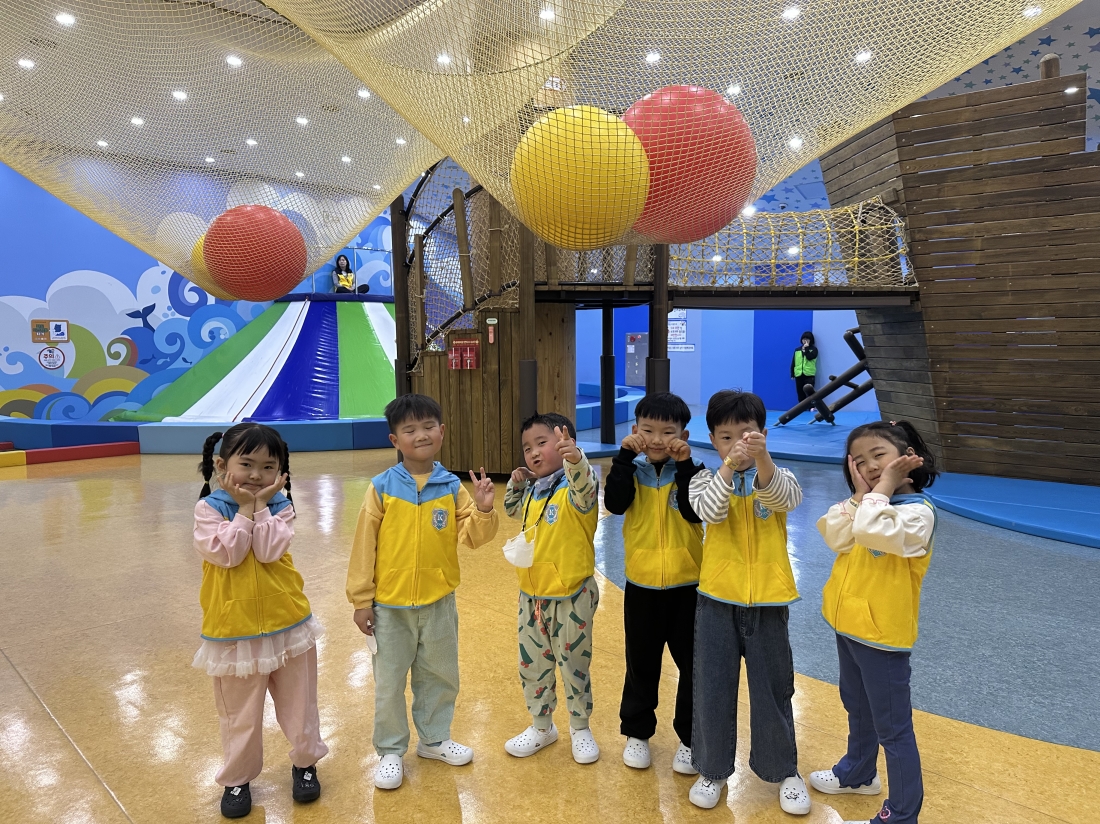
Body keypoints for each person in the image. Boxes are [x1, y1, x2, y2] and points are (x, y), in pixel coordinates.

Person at [347, 393, 498, 790]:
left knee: (440, 675)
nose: (421, 435)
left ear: (442, 432)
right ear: (395, 440)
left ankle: (434, 739)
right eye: (410, 429)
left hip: (439, 603)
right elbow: (364, 547)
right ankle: (390, 751)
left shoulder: (451, 487)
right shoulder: (381, 488)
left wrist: (483, 509)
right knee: (390, 683)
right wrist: (362, 600)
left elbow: (473, 537)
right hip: (390, 608)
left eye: (429, 426)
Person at [192, 423, 328, 820]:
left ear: (281, 473)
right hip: (233, 630)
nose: (256, 475)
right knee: (239, 715)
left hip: (288, 623)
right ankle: (237, 779)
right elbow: (228, 554)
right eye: (246, 464)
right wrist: (244, 511)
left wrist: (261, 507)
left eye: (268, 467)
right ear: (222, 466)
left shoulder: (282, 508)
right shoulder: (207, 510)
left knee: (300, 705)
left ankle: (305, 763)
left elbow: (268, 551)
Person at [686, 390, 811, 815]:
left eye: (746, 434)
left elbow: (786, 500)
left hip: (770, 603)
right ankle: (712, 769)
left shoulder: (778, 476)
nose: (736, 444)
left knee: (773, 689)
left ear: (763, 434)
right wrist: (727, 466)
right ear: (712, 440)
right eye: (725, 437)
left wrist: (762, 461)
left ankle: (783, 770)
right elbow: (710, 512)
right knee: (713, 688)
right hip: (716, 601)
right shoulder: (704, 479)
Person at [811, 420, 939, 824]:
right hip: (850, 626)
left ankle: (901, 815)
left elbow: (870, 531)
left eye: (878, 456)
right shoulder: (867, 503)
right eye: (859, 461)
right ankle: (858, 773)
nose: (869, 466)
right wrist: (860, 495)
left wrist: (878, 491)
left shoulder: (917, 514)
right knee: (858, 707)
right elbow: (837, 536)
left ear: (907, 458)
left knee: (893, 729)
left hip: (882, 636)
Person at [602, 392, 705, 774]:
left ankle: (690, 739)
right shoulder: (631, 471)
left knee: (692, 668)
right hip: (641, 586)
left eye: (668, 432)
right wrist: (624, 457)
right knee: (641, 664)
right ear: (635, 431)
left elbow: (694, 513)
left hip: (689, 587)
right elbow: (615, 503)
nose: (658, 439)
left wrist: (685, 465)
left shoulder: (696, 473)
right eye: (648, 430)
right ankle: (637, 732)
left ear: (684, 435)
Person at [502, 413, 601, 764]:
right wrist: (516, 483)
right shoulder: (534, 490)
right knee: (533, 665)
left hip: (572, 594)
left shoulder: (575, 489)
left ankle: (580, 727)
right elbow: (511, 509)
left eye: (542, 443)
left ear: (565, 443)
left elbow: (585, 490)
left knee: (574, 663)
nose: (533, 452)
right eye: (527, 447)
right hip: (532, 596)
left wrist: (575, 459)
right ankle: (542, 726)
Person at [791, 331, 818, 402]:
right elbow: (794, 362)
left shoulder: (814, 349)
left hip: (809, 375)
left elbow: (809, 357)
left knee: (810, 393)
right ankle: (802, 407)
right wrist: (792, 373)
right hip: (799, 375)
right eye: (804, 339)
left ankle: (811, 406)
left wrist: (806, 348)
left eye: (807, 339)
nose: (805, 341)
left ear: (811, 340)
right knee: (800, 394)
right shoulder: (797, 350)